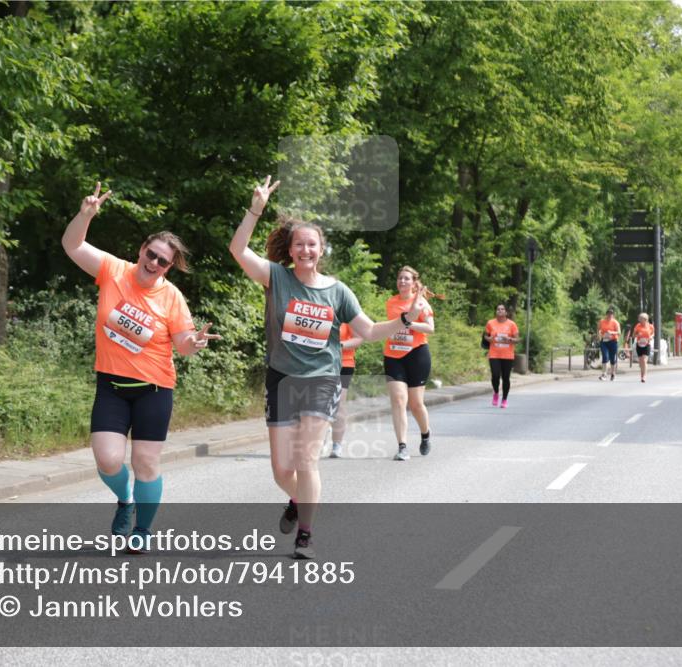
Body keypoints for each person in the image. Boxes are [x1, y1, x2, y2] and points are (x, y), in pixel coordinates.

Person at [228, 175, 426, 559]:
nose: (305, 250)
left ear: (321, 250)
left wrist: (404, 320)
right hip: (281, 379)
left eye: (312, 244)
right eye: (299, 244)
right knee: (281, 471)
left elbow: (368, 330)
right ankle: (299, 501)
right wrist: (255, 209)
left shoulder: (338, 291)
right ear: (291, 248)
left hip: (321, 380)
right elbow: (238, 250)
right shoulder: (276, 277)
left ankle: (305, 534)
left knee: (306, 460)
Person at [62, 182, 220, 553]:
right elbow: (72, 245)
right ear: (141, 250)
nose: (154, 263)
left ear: (169, 267)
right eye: (151, 254)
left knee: (146, 464)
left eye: (163, 261)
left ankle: (143, 531)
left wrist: (193, 343)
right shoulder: (112, 271)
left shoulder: (171, 297)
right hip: (112, 387)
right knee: (108, 460)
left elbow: (182, 345)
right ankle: (125, 500)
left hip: (154, 390)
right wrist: (85, 216)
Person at [383, 266, 437, 461]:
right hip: (393, 354)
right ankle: (402, 446)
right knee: (398, 400)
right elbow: (391, 325)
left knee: (415, 404)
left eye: (406, 279)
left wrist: (409, 324)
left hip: (417, 354)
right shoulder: (391, 302)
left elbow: (430, 328)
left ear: (414, 283)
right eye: (400, 279)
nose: (402, 282)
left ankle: (425, 434)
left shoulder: (422, 303)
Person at [329, 323, 363, 459]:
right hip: (319, 363)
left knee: (338, 402)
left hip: (344, 363)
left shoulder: (347, 313)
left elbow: (359, 339)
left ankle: (337, 445)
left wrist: (339, 346)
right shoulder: (318, 309)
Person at [485, 304, 519, 408]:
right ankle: (496, 393)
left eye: (502, 309)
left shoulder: (512, 324)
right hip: (494, 353)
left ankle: (504, 399)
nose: (500, 311)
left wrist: (510, 340)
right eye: (498, 309)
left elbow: (517, 339)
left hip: (507, 355)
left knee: (506, 378)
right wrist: (489, 339)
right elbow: (485, 336)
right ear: (496, 311)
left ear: (506, 312)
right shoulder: (490, 323)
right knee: (495, 375)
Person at [597, 308, 621, 380]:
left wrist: (612, 332)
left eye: (611, 314)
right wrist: (599, 335)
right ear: (606, 314)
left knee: (612, 358)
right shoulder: (602, 321)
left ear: (613, 315)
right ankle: (604, 374)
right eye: (608, 314)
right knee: (605, 356)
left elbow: (619, 332)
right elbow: (598, 330)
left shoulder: (615, 322)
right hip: (604, 341)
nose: (610, 315)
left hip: (613, 341)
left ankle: (613, 373)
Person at [630, 312, 655, 383]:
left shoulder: (650, 326)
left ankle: (644, 376)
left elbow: (653, 333)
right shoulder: (637, 326)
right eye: (639, 318)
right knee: (641, 362)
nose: (639, 320)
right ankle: (642, 375)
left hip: (647, 344)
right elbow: (633, 335)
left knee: (644, 360)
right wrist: (638, 335)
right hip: (639, 344)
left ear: (645, 319)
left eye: (640, 319)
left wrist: (651, 337)